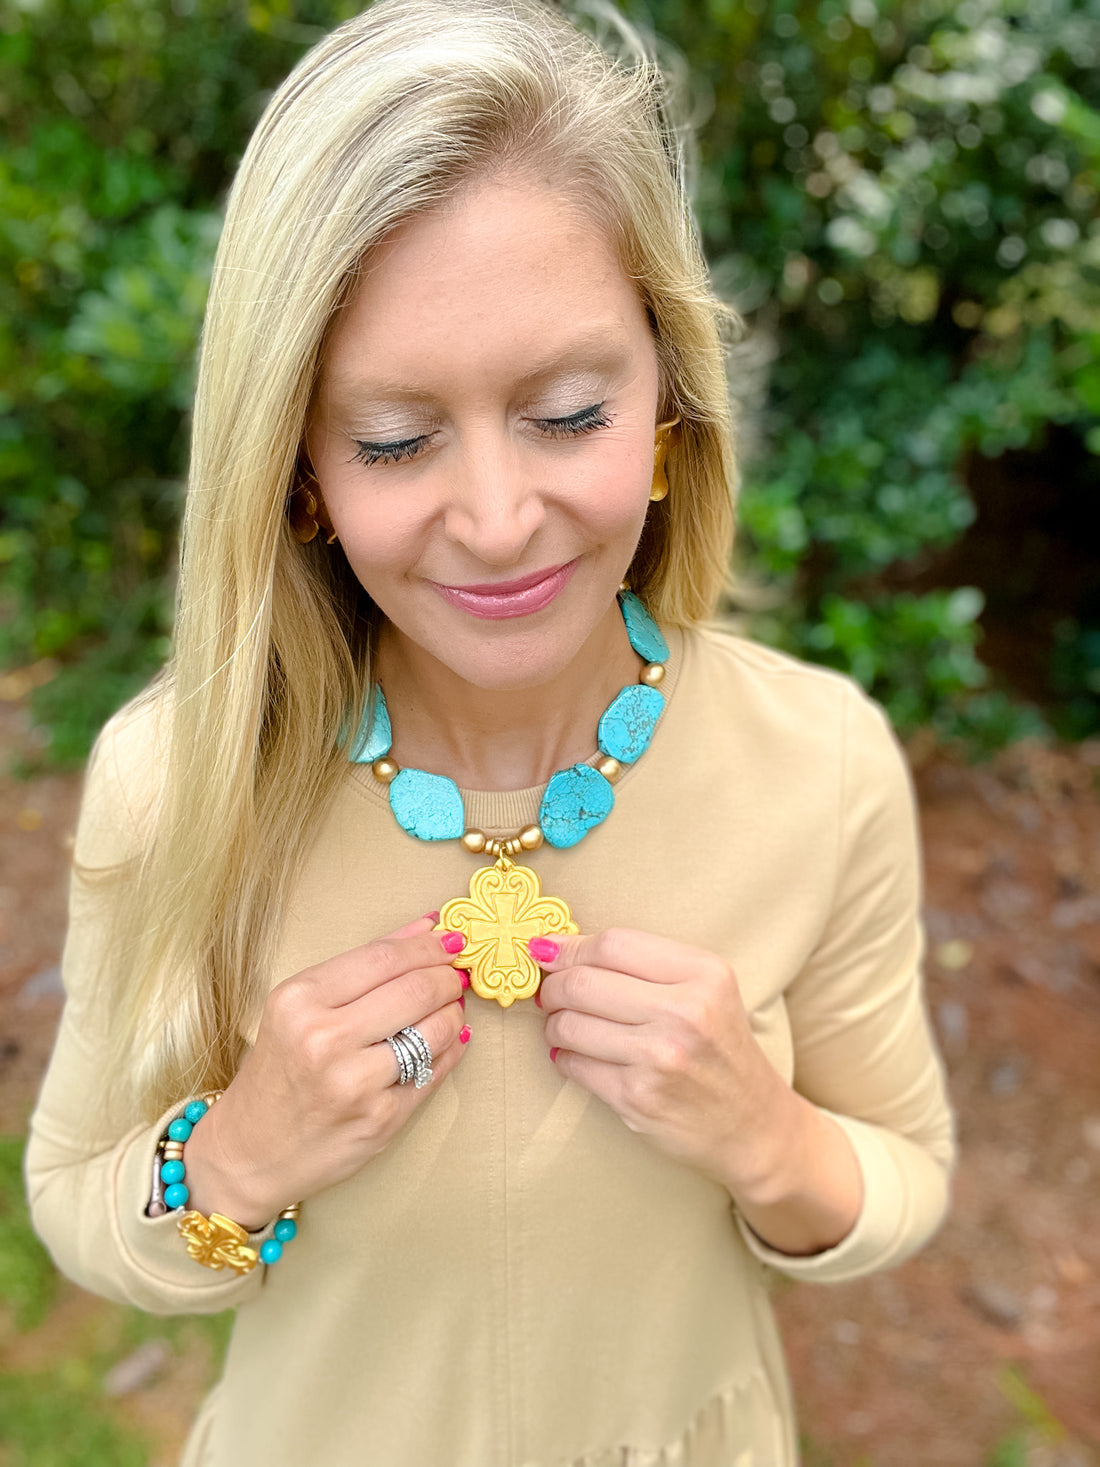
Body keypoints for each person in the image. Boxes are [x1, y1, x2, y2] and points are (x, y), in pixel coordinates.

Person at [25, 1, 956, 1462]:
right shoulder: (174, 784)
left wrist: (765, 1136)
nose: (500, 518)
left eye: (568, 413)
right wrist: (242, 1154)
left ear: (670, 408)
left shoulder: (821, 762)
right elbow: (77, 1200)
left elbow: (904, 1174)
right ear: (300, 474)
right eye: (394, 440)